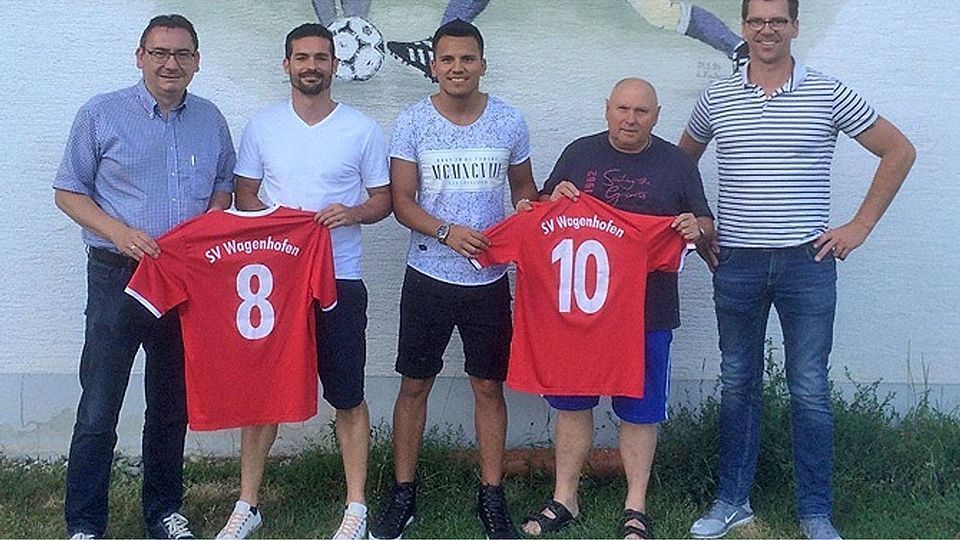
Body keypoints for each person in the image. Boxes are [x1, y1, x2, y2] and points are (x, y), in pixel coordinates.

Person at [678, 1, 916, 538]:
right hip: (735, 264)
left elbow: (898, 150)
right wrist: (703, 227)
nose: (767, 30)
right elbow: (679, 165)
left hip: (805, 265)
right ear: (743, 27)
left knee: (808, 387)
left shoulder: (828, 92)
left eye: (777, 21)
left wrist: (860, 226)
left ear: (794, 28)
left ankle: (815, 512)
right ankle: (732, 501)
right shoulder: (716, 97)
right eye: (757, 21)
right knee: (738, 383)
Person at [53, 14, 236, 540]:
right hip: (118, 275)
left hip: (185, 284)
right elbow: (69, 191)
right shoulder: (101, 115)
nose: (170, 63)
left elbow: (223, 184)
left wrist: (209, 226)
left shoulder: (210, 119)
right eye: (159, 53)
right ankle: (85, 523)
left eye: (181, 54)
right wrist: (119, 231)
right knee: (99, 405)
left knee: (170, 403)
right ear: (140, 57)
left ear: (197, 62)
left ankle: (163, 510)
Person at [518, 78, 712, 540]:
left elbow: (705, 221)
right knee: (572, 405)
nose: (630, 118)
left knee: (640, 411)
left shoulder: (677, 163)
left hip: (649, 309)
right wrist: (549, 201)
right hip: (581, 312)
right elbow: (543, 210)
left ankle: (635, 507)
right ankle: (565, 497)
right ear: (607, 109)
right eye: (623, 109)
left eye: (641, 111)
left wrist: (694, 227)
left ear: (657, 115)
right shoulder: (580, 153)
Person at [220, 22, 392, 540]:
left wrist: (353, 212)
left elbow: (382, 201)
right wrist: (278, 221)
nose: (311, 66)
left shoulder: (361, 128)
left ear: (336, 65)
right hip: (275, 284)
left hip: (340, 278)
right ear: (286, 65)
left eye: (321, 57)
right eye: (301, 57)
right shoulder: (262, 125)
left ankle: (356, 506)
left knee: (347, 394)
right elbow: (243, 194)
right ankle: (247, 503)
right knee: (262, 391)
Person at [370, 18, 538, 540]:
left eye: (467, 58)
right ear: (433, 66)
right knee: (414, 384)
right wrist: (445, 232)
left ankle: (492, 496)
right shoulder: (413, 122)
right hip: (428, 275)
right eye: (447, 59)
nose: (457, 68)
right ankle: (403, 494)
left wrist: (532, 209)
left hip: (489, 281)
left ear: (482, 64)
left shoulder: (510, 121)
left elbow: (524, 189)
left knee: (488, 386)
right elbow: (401, 202)